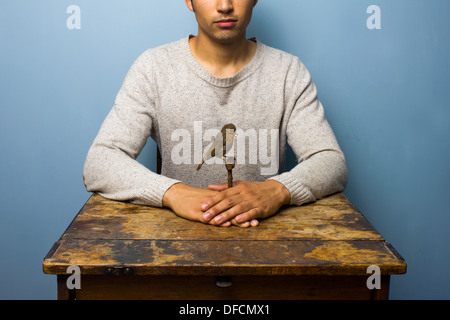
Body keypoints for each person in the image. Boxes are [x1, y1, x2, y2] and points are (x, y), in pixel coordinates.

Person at [82, 0, 348, 228]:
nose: (225, 6)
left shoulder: (288, 71)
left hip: (265, 246)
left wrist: (277, 191)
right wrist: (173, 193)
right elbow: (100, 161)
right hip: (175, 248)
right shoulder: (153, 68)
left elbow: (331, 162)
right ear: (189, 0)